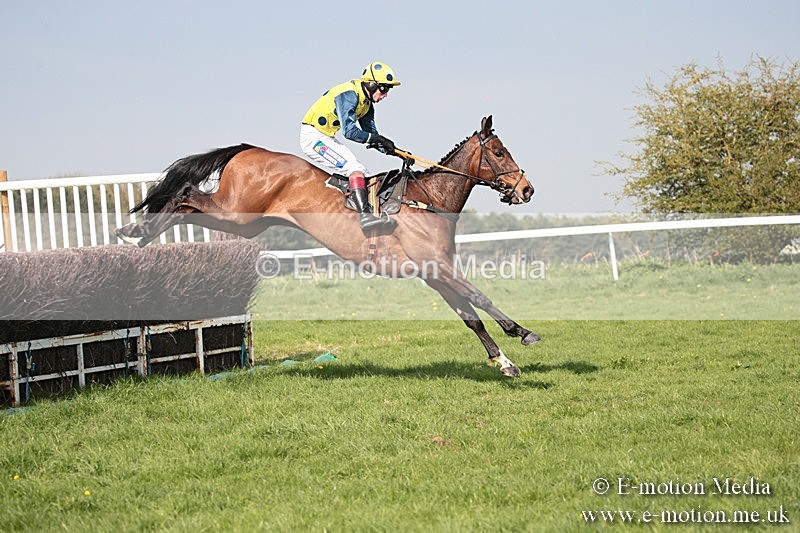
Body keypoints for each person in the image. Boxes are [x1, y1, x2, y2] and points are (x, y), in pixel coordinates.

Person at [300, 61, 400, 232]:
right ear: (371, 84)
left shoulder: (367, 104)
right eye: (384, 89)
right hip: (313, 137)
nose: (386, 94)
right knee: (355, 169)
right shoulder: (349, 94)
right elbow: (350, 132)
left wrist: (395, 151)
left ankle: (370, 214)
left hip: (325, 136)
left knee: (366, 176)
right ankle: (364, 217)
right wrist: (378, 139)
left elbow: (372, 135)